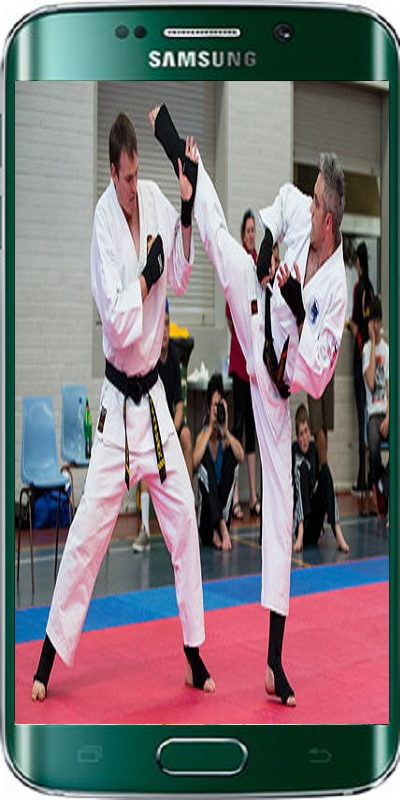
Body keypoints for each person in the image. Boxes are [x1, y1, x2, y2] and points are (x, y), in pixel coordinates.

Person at [150, 104, 347, 707]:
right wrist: (262, 247)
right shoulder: (300, 209)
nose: (308, 207)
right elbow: (277, 207)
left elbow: (317, 376)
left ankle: (273, 662)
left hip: (276, 385)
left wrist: (299, 303)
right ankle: (178, 150)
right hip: (256, 308)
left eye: (316, 204)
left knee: (281, 511)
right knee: (217, 235)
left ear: (330, 221)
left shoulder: (336, 288)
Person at [32, 111, 215, 702]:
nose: (135, 187)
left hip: (154, 402)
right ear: (112, 172)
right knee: (88, 531)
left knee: (183, 518)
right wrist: (144, 279)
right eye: (128, 178)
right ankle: (47, 656)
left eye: (138, 176)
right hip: (116, 406)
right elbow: (115, 317)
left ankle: (193, 652)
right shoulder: (102, 221)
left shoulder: (156, 201)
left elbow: (179, 276)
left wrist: (184, 208)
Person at [133, 298, 194, 552]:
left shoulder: (175, 358)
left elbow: (179, 405)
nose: (166, 331)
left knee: (187, 436)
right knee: (145, 452)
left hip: (169, 427)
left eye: (168, 325)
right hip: (151, 427)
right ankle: (145, 529)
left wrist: (172, 430)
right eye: (163, 325)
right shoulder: (149, 359)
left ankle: (188, 513)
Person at [226, 210, 260, 521]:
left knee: (252, 431)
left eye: (253, 231)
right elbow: (230, 311)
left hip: (256, 366)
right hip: (239, 363)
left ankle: (254, 497)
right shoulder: (239, 264)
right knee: (236, 428)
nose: (251, 235)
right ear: (242, 234)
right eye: (247, 231)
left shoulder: (258, 263)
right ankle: (233, 496)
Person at [193, 373, 244, 551]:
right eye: (214, 405)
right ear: (208, 409)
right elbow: (194, 461)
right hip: (206, 524)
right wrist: (210, 428)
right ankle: (219, 526)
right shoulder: (202, 436)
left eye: (219, 404)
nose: (217, 409)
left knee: (232, 459)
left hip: (223, 514)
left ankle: (221, 525)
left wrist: (226, 430)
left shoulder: (225, 441)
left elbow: (241, 456)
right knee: (205, 462)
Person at [292, 405, 349, 553]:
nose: (304, 438)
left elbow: (319, 485)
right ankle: (300, 533)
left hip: (315, 523)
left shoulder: (313, 450)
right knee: (301, 468)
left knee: (325, 471)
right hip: (301, 523)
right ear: (297, 437)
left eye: (306, 432)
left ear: (309, 431)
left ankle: (337, 531)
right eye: (301, 434)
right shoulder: (294, 452)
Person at [348, 242, 374, 491]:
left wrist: (353, 327)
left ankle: (363, 477)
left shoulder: (360, 288)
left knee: (362, 417)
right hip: (367, 358)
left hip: (360, 360)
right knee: (367, 415)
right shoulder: (370, 288)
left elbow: (359, 325)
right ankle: (366, 475)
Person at [362, 296, 389, 519]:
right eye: (373, 321)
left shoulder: (387, 350)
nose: (377, 326)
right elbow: (371, 382)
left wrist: (389, 417)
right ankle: (381, 487)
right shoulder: (366, 350)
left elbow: (389, 387)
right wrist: (372, 344)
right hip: (373, 414)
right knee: (373, 449)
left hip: (386, 413)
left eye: (379, 321)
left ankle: (382, 484)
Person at [307, 375, 334, 468]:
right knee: (322, 425)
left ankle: (323, 469)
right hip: (328, 370)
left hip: (314, 371)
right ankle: (322, 468)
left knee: (317, 424)